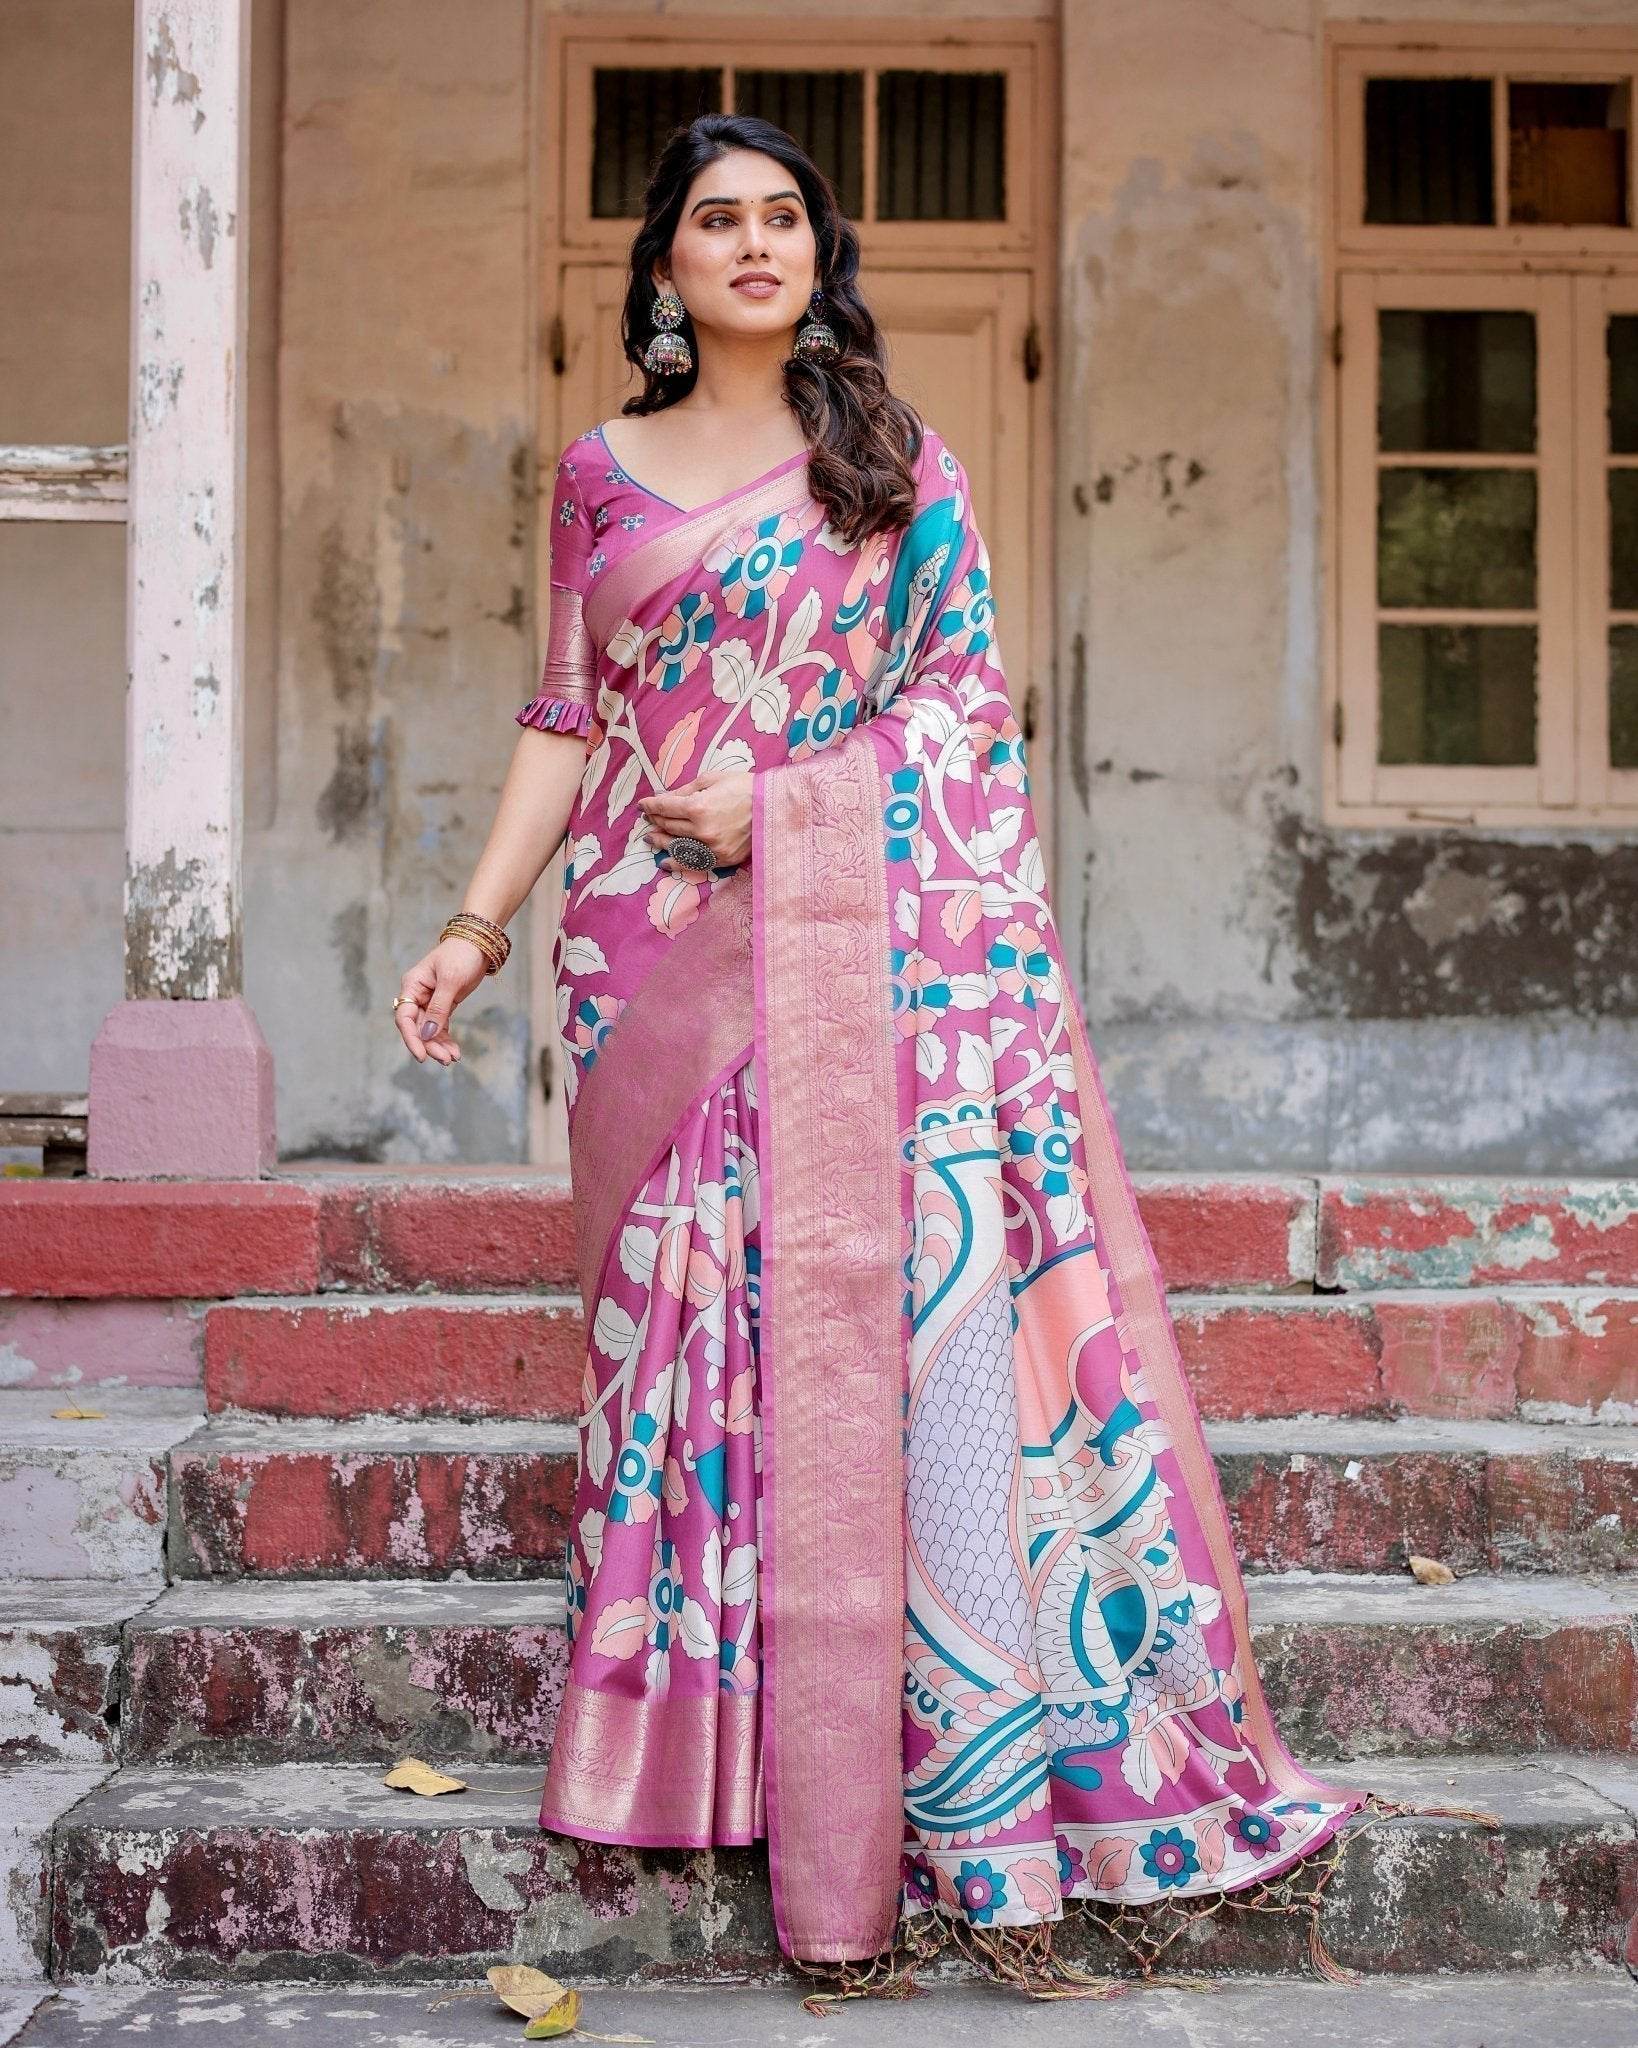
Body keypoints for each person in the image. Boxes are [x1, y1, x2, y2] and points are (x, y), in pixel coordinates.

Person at [393, 111, 1386, 1999]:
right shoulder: (600, 476)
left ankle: (899, 1766)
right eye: (713, 222)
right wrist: (473, 924)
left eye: (780, 217)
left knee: (859, 1326)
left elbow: (960, 714)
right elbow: (561, 705)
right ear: (664, 272)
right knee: (685, 1339)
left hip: (855, 958)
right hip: (641, 958)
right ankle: (697, 1744)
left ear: (813, 252)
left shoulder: (885, 463)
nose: (750, 244)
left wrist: (784, 804)